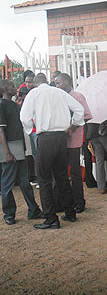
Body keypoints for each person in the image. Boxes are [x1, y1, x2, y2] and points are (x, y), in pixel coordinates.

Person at [20, 73, 85, 229]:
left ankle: (51, 218)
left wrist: (31, 130)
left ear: (35, 84)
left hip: (45, 137)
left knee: (44, 179)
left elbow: (24, 117)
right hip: (61, 137)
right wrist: (72, 125)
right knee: (62, 175)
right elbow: (79, 109)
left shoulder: (34, 94)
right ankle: (70, 213)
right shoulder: (59, 92)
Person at [0, 80, 42, 225]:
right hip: (10, 148)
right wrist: (6, 152)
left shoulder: (12, 105)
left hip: (18, 146)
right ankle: (9, 213)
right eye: (12, 86)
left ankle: (33, 210)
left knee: (25, 181)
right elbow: (1, 129)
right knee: (7, 182)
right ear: (5, 89)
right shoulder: (2, 105)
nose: (15, 88)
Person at [55, 73, 92, 213]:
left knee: (75, 173)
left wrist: (73, 127)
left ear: (66, 81)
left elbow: (87, 116)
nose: (56, 86)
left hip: (73, 141)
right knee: (61, 172)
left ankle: (79, 202)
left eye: (58, 83)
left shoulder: (77, 97)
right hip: (60, 141)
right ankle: (63, 202)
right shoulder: (58, 97)